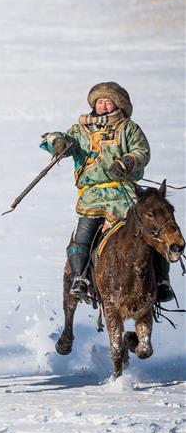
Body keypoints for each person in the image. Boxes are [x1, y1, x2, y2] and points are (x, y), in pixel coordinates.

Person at [41, 82, 173, 303]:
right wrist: (57, 142)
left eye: (107, 101)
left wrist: (126, 162)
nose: (102, 105)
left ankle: (161, 282)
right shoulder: (80, 130)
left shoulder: (129, 129)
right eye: (99, 101)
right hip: (92, 197)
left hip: (125, 197)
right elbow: (60, 140)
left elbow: (142, 151)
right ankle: (80, 279)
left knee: (151, 233)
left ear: (117, 104)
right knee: (82, 237)